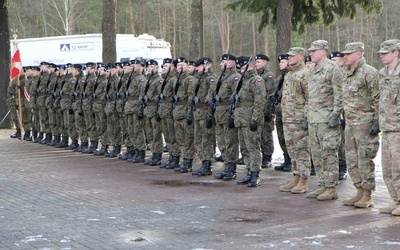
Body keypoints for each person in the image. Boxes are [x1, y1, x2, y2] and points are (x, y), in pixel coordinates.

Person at [340, 42, 380, 208]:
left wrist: (378, 120)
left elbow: (378, 97)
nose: (345, 56)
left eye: (349, 54)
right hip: (350, 122)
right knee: (351, 158)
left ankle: (368, 193)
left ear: (359, 54)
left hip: (364, 123)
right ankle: (359, 190)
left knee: (364, 158)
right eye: (345, 54)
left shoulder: (369, 72)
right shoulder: (346, 72)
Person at [306, 40, 344, 201]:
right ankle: (322, 183)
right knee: (316, 154)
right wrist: (306, 117)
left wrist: (336, 114)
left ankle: (331, 187)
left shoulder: (332, 68)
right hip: (314, 120)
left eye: (314, 51)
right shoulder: (313, 70)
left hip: (327, 120)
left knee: (329, 154)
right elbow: (310, 96)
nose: (311, 53)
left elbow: (339, 94)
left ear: (323, 51)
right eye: (310, 51)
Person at [278, 47, 311, 194]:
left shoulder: (305, 74)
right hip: (288, 118)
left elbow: (310, 98)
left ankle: (304, 180)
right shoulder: (289, 74)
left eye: (292, 56)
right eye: (289, 56)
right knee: (292, 150)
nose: (289, 58)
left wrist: (305, 117)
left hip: (298, 119)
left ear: (300, 56)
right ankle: (296, 176)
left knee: (301, 150)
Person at [234, 56, 267, 187]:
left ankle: (255, 174)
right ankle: (248, 171)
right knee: (245, 148)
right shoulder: (242, 81)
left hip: (250, 119)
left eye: (243, 68)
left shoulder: (256, 80)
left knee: (253, 147)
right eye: (240, 68)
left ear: (251, 66)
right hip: (241, 119)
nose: (242, 71)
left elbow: (260, 101)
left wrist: (255, 119)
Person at [376, 39, 400, 215]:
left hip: (398, 128)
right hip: (387, 126)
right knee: (387, 168)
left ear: (396, 53)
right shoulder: (382, 73)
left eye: (386, 53)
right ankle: (395, 199)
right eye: (381, 53)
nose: (382, 56)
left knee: (398, 167)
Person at [209, 54, 240, 180]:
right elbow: (212, 91)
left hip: (227, 114)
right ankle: (226, 166)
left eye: (223, 62)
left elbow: (236, 96)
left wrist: (232, 114)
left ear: (231, 63)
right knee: (221, 142)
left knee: (230, 142)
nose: (221, 64)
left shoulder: (235, 77)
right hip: (218, 113)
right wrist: (209, 99)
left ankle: (231, 169)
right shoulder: (221, 77)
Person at [188, 57, 217, 176]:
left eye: (199, 66)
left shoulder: (211, 78)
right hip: (197, 112)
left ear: (208, 65)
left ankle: (207, 164)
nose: (197, 68)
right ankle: (202, 162)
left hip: (205, 112)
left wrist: (210, 115)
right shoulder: (196, 78)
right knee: (199, 140)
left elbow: (211, 97)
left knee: (206, 140)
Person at [172, 57, 196, 173]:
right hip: (177, 112)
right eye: (178, 65)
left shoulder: (189, 79)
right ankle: (184, 159)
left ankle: (188, 161)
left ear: (187, 66)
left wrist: (189, 113)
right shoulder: (175, 79)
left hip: (185, 112)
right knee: (180, 139)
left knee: (188, 139)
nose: (180, 67)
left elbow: (191, 98)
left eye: (182, 65)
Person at [329, 51, 348, 180]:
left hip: (346, 111)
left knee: (342, 142)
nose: (332, 63)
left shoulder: (346, 74)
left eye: (335, 60)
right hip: (333, 110)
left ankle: (342, 166)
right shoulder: (331, 73)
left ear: (342, 61)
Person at [255, 54, 276, 168]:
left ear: (265, 62)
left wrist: (267, 110)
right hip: (257, 110)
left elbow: (270, 94)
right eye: (256, 62)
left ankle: (267, 156)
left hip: (266, 110)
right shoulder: (256, 75)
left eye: (259, 61)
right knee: (258, 134)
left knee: (266, 134)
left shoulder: (268, 76)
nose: (257, 63)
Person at [273, 54, 292, 172]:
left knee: (289, 138)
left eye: (283, 62)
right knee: (281, 137)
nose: (280, 64)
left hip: (289, 112)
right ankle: (286, 159)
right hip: (279, 112)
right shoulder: (280, 77)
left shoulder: (290, 76)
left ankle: (291, 161)